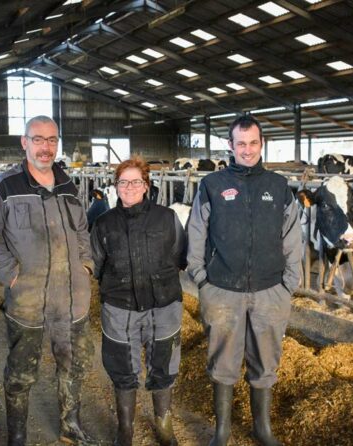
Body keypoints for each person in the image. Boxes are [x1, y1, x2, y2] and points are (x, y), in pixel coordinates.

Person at [0, 116, 95, 446]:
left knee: (74, 366)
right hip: (27, 298)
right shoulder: (6, 186)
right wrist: (10, 273)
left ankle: (71, 426)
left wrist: (85, 263)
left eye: (52, 140)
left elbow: (82, 230)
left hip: (72, 299)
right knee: (21, 372)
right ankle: (17, 435)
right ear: (24, 143)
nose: (46, 146)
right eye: (38, 139)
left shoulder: (68, 186)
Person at [187, 115, 302, 446]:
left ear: (262, 143)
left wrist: (289, 283)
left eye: (253, 143)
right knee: (222, 359)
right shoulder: (212, 185)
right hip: (222, 290)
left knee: (266, 358)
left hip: (270, 291)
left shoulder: (279, 186)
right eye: (241, 143)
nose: (247, 150)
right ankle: (222, 431)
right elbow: (196, 232)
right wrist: (201, 279)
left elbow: (293, 236)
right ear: (230, 146)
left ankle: (261, 428)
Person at [90, 157, 186, 446]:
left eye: (135, 182)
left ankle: (164, 427)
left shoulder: (167, 217)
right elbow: (95, 265)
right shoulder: (103, 223)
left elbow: (180, 257)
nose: (129, 187)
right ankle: (125, 431)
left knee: (165, 365)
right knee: (122, 368)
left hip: (164, 304)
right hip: (120, 307)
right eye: (123, 182)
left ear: (146, 185)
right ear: (115, 185)